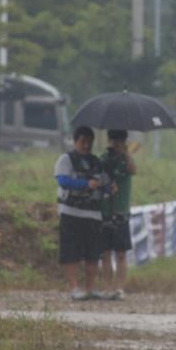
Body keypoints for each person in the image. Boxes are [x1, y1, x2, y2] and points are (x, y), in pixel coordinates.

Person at [54, 126, 107, 300]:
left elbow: (103, 181)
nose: (86, 145)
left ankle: (90, 288)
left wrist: (108, 186)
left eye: (89, 142)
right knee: (71, 252)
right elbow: (63, 180)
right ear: (75, 141)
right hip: (71, 212)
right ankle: (74, 288)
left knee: (93, 253)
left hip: (93, 214)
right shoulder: (66, 159)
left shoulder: (96, 161)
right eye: (83, 141)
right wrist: (85, 185)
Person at [99, 130, 136, 300]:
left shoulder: (126, 160)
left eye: (119, 140)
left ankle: (119, 288)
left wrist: (126, 153)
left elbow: (133, 169)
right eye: (114, 140)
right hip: (106, 210)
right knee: (105, 252)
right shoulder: (104, 159)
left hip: (121, 211)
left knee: (121, 253)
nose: (116, 144)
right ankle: (107, 287)